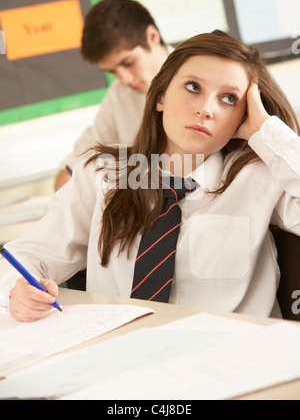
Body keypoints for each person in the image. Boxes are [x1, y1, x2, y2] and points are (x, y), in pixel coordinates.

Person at [1, 30, 300, 323]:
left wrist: (266, 131)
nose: (206, 109)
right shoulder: (104, 174)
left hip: (230, 359)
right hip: (121, 354)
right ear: (160, 97)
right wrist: (16, 291)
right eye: (193, 87)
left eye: (229, 99)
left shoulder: (260, 176)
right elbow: (28, 256)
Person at [55, 0, 171, 190]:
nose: (123, 79)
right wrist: (67, 175)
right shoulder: (119, 94)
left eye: (128, 63)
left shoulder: (204, 78)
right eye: (113, 71)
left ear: (152, 36)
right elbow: (90, 146)